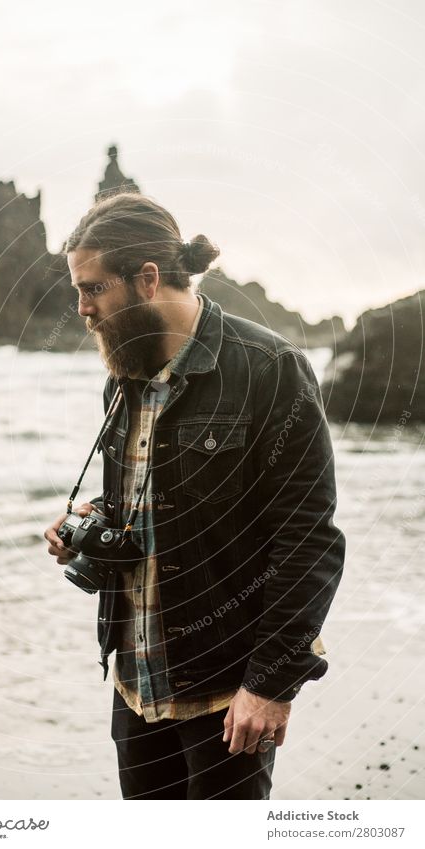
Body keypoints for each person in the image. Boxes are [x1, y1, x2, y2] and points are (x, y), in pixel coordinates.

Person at [44, 192, 345, 800]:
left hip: (228, 692)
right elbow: (154, 505)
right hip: (135, 680)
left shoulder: (270, 367)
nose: (82, 308)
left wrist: (271, 684)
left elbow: (309, 537)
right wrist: (90, 523)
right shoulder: (123, 374)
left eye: (93, 288)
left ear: (147, 279)